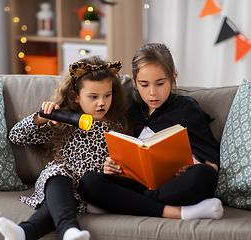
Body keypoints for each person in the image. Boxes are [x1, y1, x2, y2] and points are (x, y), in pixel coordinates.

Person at [78, 43, 223, 220]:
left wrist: (195, 168)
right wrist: (111, 166)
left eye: (160, 84)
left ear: (173, 78)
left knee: (206, 175)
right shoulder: (132, 113)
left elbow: (212, 162)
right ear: (134, 82)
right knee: (89, 182)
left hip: (176, 185)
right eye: (144, 85)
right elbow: (125, 156)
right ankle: (174, 212)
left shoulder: (186, 108)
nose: (152, 93)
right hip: (139, 184)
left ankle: (131, 203)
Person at [0, 56, 130, 240]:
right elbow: (16, 137)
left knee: (57, 205)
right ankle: (68, 232)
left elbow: (125, 162)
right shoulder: (64, 120)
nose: (102, 102)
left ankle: (26, 232)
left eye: (107, 95)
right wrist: (43, 118)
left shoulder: (117, 126)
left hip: (90, 191)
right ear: (76, 97)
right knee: (58, 175)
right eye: (93, 97)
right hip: (60, 184)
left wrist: (115, 168)